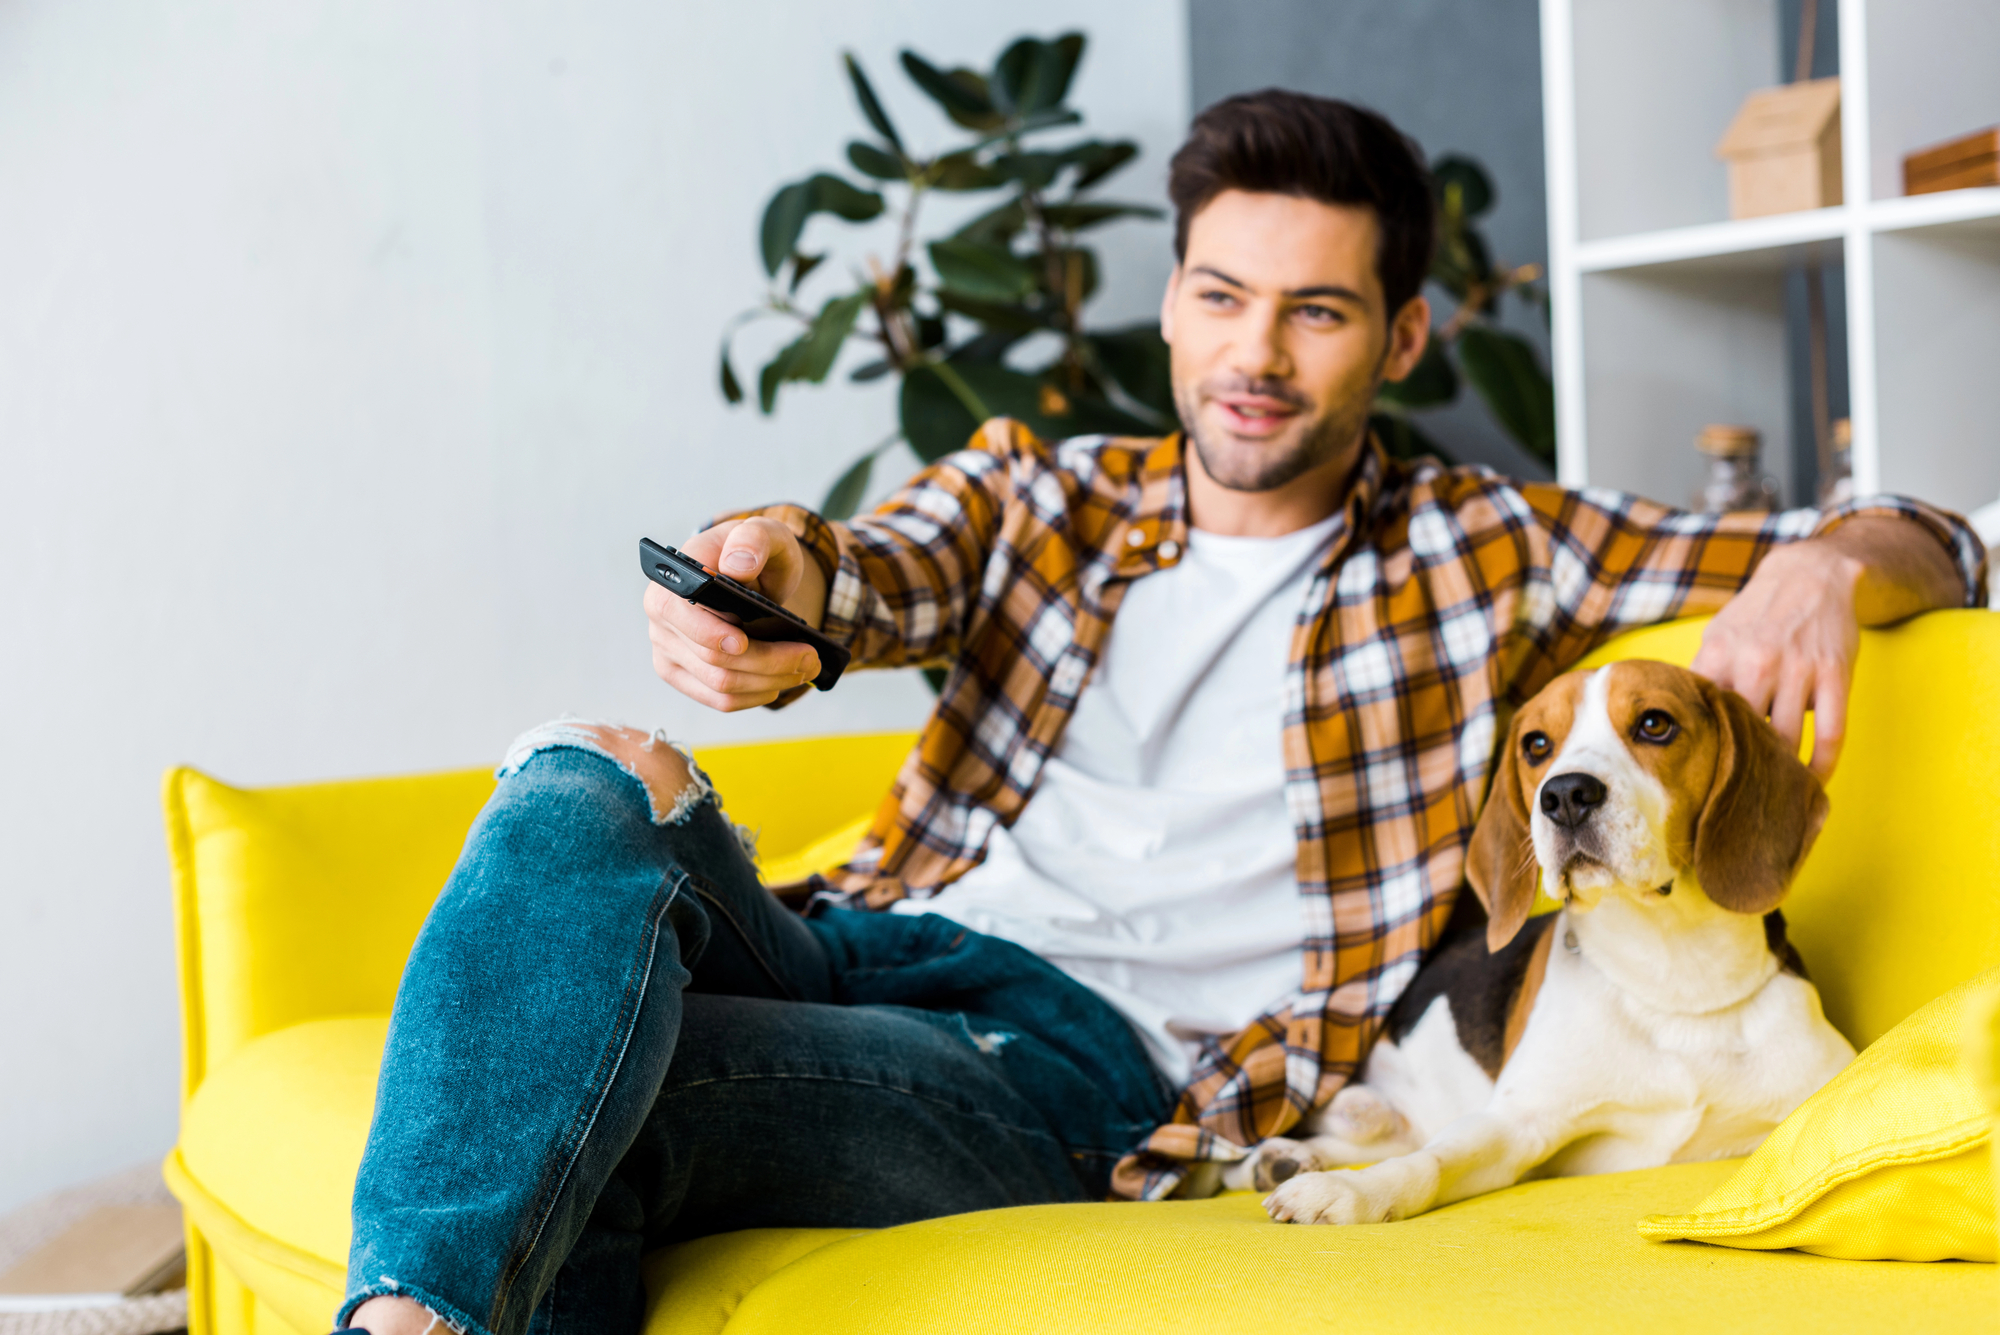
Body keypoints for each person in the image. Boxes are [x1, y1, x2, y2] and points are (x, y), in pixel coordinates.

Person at [338, 90, 1982, 1335]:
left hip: (1078, 1066)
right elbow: (879, 572)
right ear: (1177, 300)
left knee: (596, 1085)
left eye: (1316, 312)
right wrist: (787, 582)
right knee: (581, 774)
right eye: (1219, 296)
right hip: (867, 942)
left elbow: (1951, 534)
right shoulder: (1045, 494)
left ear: (1400, 335)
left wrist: (1833, 563)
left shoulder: (1491, 550)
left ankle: (404, 1314)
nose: (1252, 354)